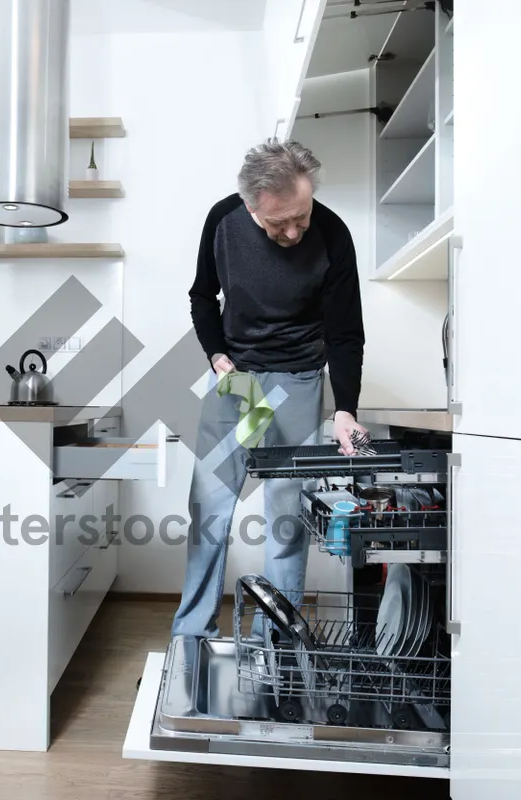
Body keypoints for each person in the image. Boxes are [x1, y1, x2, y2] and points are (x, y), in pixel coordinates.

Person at [172, 139, 368, 640]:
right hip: (235, 376)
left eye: (301, 215)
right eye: (280, 222)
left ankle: (275, 639)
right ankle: (192, 632)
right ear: (251, 205)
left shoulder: (332, 233)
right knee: (209, 511)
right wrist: (217, 356)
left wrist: (345, 408)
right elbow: (202, 297)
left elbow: (346, 332)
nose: (295, 230)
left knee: (286, 518)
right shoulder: (223, 222)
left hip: (299, 377)